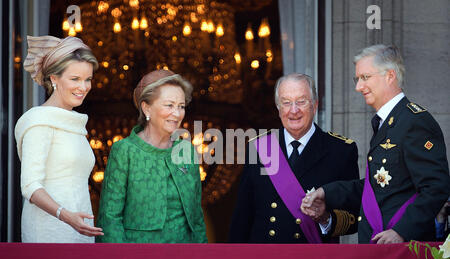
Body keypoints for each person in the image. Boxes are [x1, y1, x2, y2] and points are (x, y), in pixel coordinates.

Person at [301, 44, 450, 244]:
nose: (358, 87)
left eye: (365, 78)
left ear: (389, 76)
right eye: (357, 79)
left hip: (405, 251)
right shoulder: (388, 121)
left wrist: (401, 232)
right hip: (380, 247)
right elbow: (377, 187)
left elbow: (436, 187)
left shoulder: (414, 122)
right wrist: (326, 193)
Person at [228, 73, 360, 243]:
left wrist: (325, 218)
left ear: (315, 105)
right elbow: (242, 217)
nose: (294, 110)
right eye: (286, 102)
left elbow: (355, 218)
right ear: (278, 108)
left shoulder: (341, 150)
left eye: (301, 101)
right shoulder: (259, 148)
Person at [96, 69, 207, 243]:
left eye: (181, 106)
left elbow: (197, 218)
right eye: (169, 105)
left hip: (184, 258)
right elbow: (110, 218)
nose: (177, 114)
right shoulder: (124, 150)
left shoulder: (187, 151)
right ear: (146, 107)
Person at [15, 35, 103, 242]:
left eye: (88, 79)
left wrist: (76, 220)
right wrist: (66, 216)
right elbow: (30, 186)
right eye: (75, 79)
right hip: (48, 232)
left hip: (81, 229)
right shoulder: (39, 120)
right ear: (54, 78)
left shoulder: (75, 123)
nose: (84, 87)